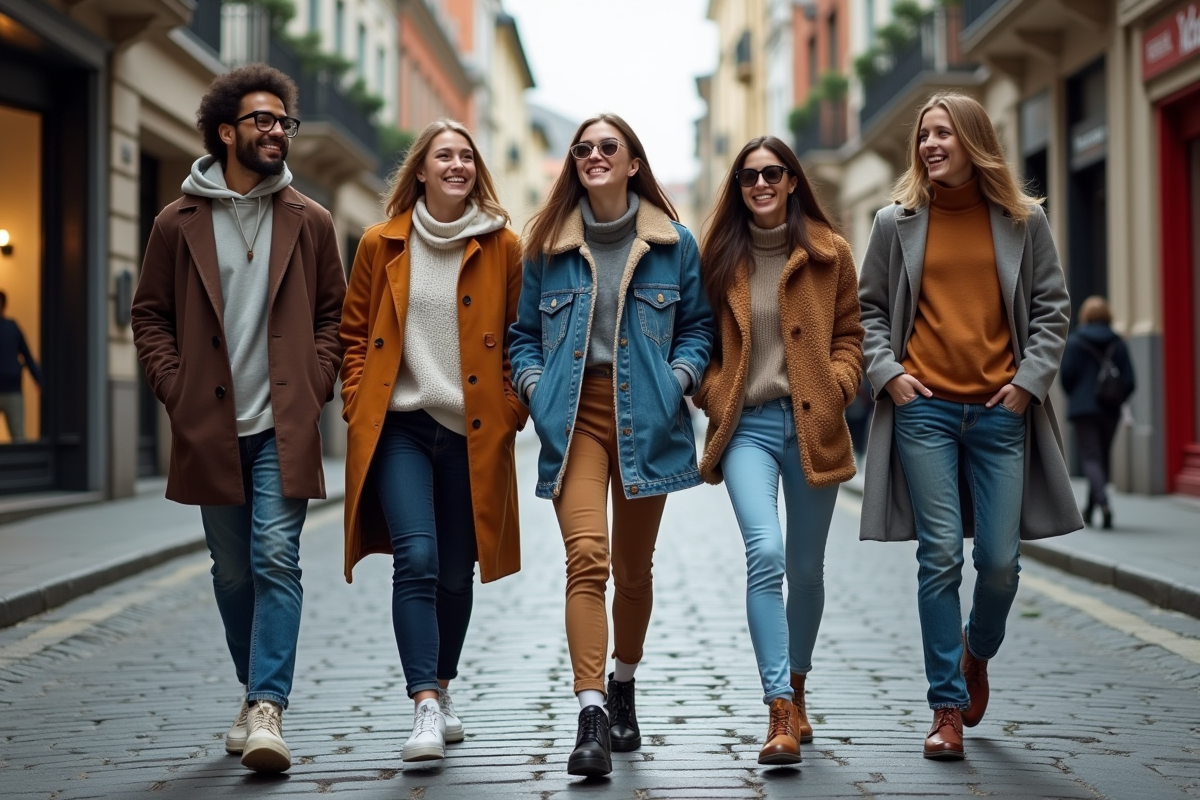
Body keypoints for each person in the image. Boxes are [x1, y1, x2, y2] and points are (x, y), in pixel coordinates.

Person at [131, 64, 346, 773]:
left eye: (284, 121)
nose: (277, 130)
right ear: (227, 131)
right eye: (263, 120)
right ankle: (252, 693)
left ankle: (267, 707)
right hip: (210, 429)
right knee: (231, 573)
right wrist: (175, 388)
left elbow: (333, 319)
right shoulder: (177, 221)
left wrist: (313, 384)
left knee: (275, 557)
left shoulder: (311, 221)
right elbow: (150, 316)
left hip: (282, 425)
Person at [857, 93, 1081, 760]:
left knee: (1001, 565)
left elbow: (1052, 309)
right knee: (939, 557)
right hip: (922, 409)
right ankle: (945, 706)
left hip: (998, 412)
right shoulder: (892, 222)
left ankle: (976, 653)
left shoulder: (1022, 220)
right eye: (924, 135)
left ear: (974, 140)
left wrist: (1028, 383)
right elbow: (868, 311)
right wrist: (886, 372)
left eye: (943, 133)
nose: (929, 144)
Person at [509, 113, 714, 777]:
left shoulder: (673, 242)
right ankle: (592, 710)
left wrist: (677, 379)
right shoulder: (544, 247)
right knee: (587, 557)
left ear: (632, 163)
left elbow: (698, 328)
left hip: (646, 417)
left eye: (608, 146)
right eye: (584, 148)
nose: (593, 154)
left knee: (633, 568)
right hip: (572, 419)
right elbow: (520, 337)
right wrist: (537, 387)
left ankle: (625, 680)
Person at [339, 119, 525, 764]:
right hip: (400, 427)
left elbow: (520, 338)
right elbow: (354, 337)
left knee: (453, 570)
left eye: (466, 157)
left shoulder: (504, 246)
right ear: (419, 170)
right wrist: (359, 402)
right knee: (415, 558)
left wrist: (509, 408)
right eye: (444, 156)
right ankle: (422, 704)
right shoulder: (379, 243)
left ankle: (443, 688)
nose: (457, 165)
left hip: (472, 431)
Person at [693, 136, 863, 765]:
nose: (760, 184)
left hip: (814, 425)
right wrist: (715, 396)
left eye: (772, 173)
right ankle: (778, 709)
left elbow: (851, 334)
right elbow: (702, 345)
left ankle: (798, 682)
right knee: (764, 552)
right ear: (737, 189)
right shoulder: (719, 258)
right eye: (747, 177)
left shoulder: (830, 252)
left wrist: (841, 382)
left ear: (793, 180)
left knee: (807, 570)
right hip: (749, 429)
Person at [1060, 295, 1135, 529]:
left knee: (1092, 457)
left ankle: (1101, 503)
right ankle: (1092, 508)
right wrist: (1117, 397)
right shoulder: (1118, 342)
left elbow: (1066, 377)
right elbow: (1130, 380)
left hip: (1083, 409)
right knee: (1102, 457)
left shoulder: (1074, 342)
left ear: (1085, 316)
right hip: (1110, 409)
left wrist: (1077, 396)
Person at [0, 290, 42, 443]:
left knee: (18, 437)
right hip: (13, 389)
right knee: (18, 436)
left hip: (13, 390)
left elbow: (27, 355)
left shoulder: (12, 328)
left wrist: (39, 379)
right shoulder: (13, 328)